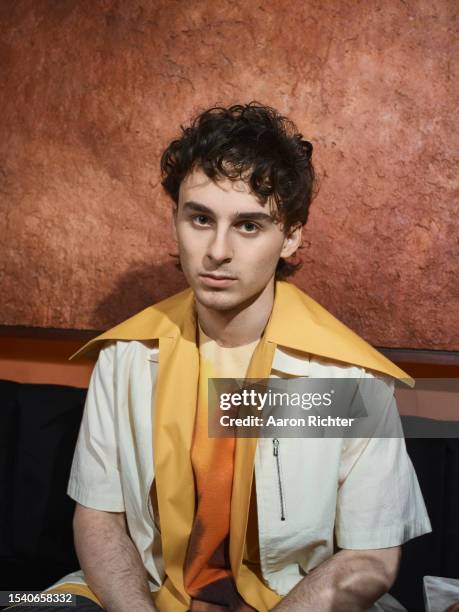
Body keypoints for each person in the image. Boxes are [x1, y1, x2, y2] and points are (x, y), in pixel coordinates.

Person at [9, 102, 431, 611]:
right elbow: (98, 519)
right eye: (201, 218)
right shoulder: (124, 357)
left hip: (293, 601)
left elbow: (370, 559)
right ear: (176, 220)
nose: (217, 250)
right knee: (26, 605)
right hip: (144, 592)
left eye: (249, 226)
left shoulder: (348, 376)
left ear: (291, 236)